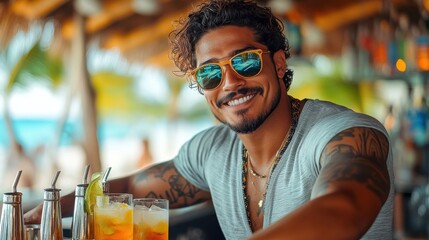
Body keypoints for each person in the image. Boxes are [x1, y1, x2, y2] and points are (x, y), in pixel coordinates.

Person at [24, 0, 394, 239]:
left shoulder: (343, 134)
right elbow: (134, 188)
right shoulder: (212, 151)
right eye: (210, 74)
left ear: (279, 63)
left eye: (245, 60)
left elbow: (343, 207)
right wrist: (51, 207)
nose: (231, 82)